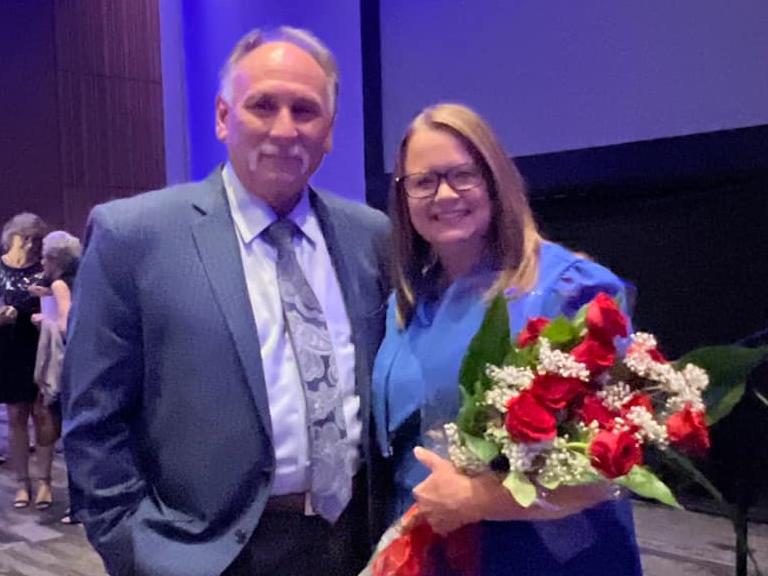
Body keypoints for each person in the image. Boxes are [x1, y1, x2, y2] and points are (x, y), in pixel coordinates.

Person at [62, 26, 390, 576]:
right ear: (222, 117)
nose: (284, 129)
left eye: (305, 110)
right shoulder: (134, 236)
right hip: (205, 554)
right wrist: (135, 550)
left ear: (329, 130)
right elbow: (93, 422)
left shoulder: (370, 235)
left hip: (353, 544)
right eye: (262, 105)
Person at [371, 103, 642, 575]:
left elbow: (615, 466)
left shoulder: (567, 289)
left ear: (495, 179)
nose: (444, 194)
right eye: (423, 181)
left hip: (541, 562)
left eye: (463, 175)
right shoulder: (409, 302)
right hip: (429, 557)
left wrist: (479, 499)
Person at [28, 230, 82, 513]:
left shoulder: (60, 284)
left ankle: (72, 502)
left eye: (44, 258)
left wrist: (43, 321)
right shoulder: (82, 278)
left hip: (66, 368)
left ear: (54, 259)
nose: (41, 263)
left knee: (54, 425)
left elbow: (65, 325)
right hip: (83, 365)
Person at [0, 212, 48, 509]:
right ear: (11, 236)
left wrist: (43, 314)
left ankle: (44, 482)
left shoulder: (44, 270)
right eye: (24, 238)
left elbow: (57, 307)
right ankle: (21, 483)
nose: (29, 245)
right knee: (16, 416)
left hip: (38, 348)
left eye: (35, 240)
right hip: (8, 349)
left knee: (42, 415)